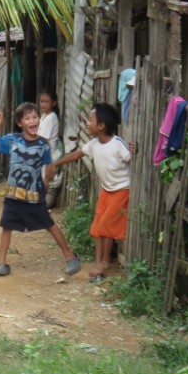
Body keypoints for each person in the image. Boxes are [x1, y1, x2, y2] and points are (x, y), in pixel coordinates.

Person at [0, 102, 82, 277]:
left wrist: (45, 187)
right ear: (20, 123)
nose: (32, 120)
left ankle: (70, 257)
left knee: (49, 224)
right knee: (7, 226)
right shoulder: (12, 140)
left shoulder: (44, 145)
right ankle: (1, 263)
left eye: (35, 117)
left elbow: (47, 169)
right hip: (13, 194)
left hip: (33, 194)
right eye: (27, 118)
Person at [46, 103, 133, 283]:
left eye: (91, 120)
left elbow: (131, 158)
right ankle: (98, 261)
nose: (87, 123)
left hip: (121, 190)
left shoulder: (118, 144)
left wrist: (134, 150)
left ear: (101, 126)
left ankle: (104, 263)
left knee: (107, 227)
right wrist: (56, 164)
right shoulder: (94, 144)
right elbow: (78, 154)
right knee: (99, 227)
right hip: (107, 191)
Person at [38, 90, 64, 208]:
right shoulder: (44, 116)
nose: (43, 104)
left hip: (49, 153)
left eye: (46, 102)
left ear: (53, 103)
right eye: (41, 101)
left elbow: (43, 138)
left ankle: (45, 203)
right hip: (44, 151)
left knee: (47, 178)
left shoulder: (51, 117)